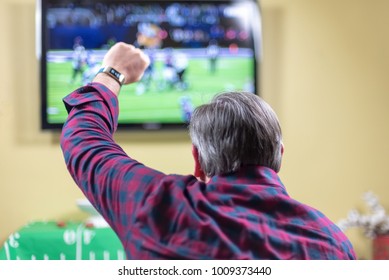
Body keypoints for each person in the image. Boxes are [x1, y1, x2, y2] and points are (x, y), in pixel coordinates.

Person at [60, 42, 356, 260]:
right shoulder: (331, 241)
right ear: (279, 153)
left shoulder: (159, 207)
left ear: (198, 161)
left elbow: (84, 142)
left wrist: (113, 73)